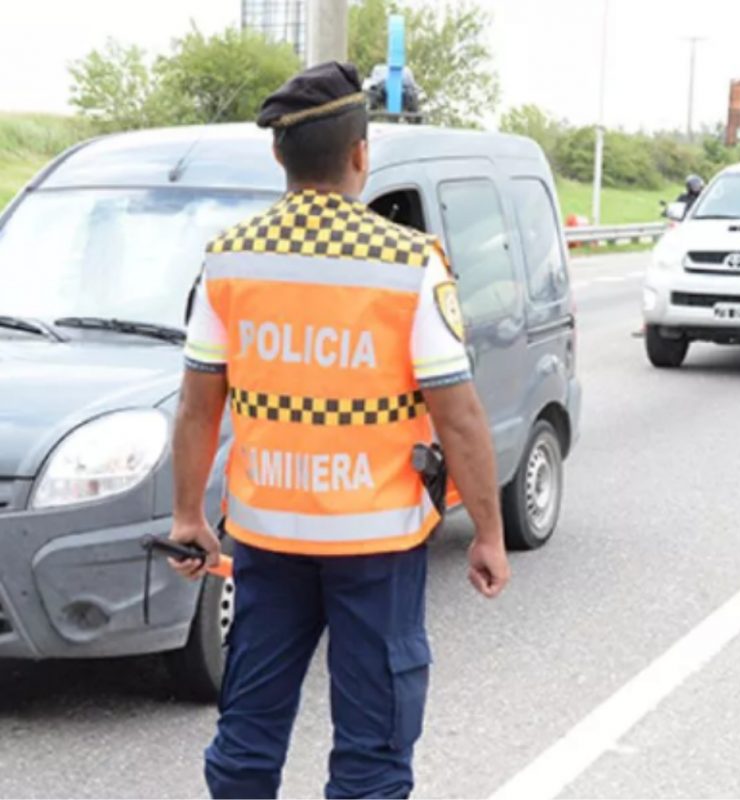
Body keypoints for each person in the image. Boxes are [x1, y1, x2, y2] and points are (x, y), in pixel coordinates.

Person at [168, 61, 510, 800]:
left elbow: (198, 406)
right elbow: (458, 413)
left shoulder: (230, 259)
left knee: (247, 742)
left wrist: (188, 515)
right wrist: (487, 531)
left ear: (278, 157)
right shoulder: (409, 261)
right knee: (372, 757)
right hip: (376, 551)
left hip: (267, 545)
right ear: (361, 154)